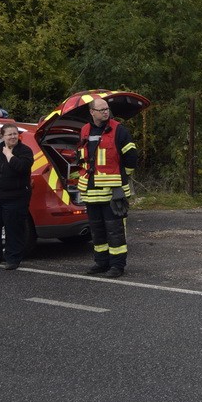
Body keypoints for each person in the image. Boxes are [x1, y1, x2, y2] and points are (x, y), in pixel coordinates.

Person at [75, 97, 138, 279]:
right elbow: (80, 156)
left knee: (115, 230)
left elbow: (131, 155)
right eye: (101, 109)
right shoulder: (85, 130)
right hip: (91, 190)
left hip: (113, 191)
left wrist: (123, 175)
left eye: (106, 109)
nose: (105, 112)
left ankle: (117, 265)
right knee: (97, 230)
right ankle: (101, 262)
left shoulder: (118, 129)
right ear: (92, 112)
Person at [0, 123, 34, 270]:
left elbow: (22, 167)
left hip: (16, 196)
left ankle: (13, 259)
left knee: (14, 228)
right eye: (9, 134)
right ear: (2, 136)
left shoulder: (25, 151)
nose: (13, 137)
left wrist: (9, 155)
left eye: (15, 134)